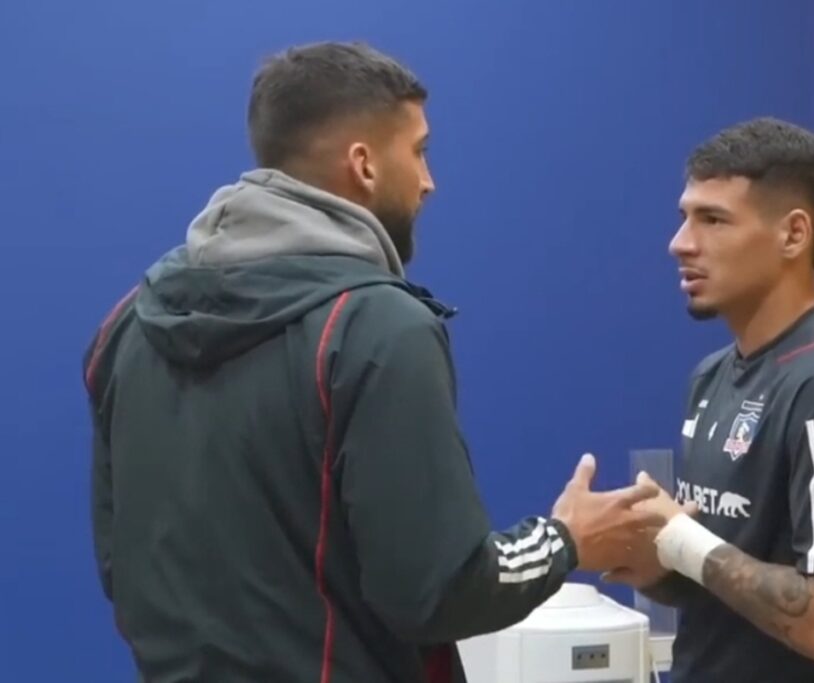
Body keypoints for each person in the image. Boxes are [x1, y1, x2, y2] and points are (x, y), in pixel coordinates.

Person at [82, 41, 661, 683]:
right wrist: (566, 538)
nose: (429, 180)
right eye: (418, 151)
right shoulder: (379, 328)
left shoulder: (127, 323)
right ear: (363, 164)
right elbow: (438, 590)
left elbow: (121, 566)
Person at [605, 118, 814, 683]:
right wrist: (641, 554)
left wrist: (678, 537)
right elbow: (721, 574)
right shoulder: (711, 376)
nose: (681, 243)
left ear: (794, 235)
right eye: (684, 218)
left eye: (713, 219)